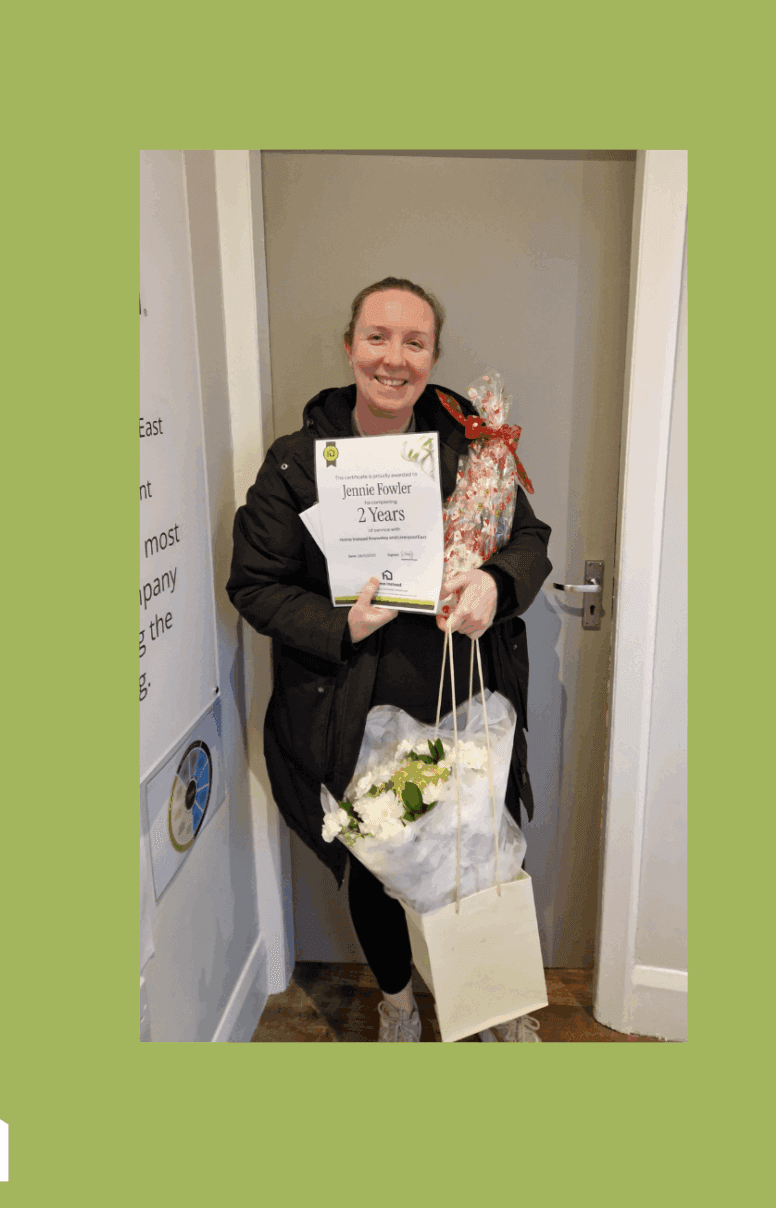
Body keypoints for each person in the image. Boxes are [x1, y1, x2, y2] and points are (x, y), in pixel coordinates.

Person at [226, 277, 552, 1042]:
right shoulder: (297, 463)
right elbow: (254, 583)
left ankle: (497, 1004)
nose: (394, 359)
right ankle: (400, 1000)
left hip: (465, 694)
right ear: (350, 346)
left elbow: (529, 541)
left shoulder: (474, 448)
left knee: (486, 857)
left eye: (414, 342)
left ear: (433, 354)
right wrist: (341, 623)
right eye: (377, 337)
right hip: (356, 705)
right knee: (379, 862)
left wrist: (495, 583)